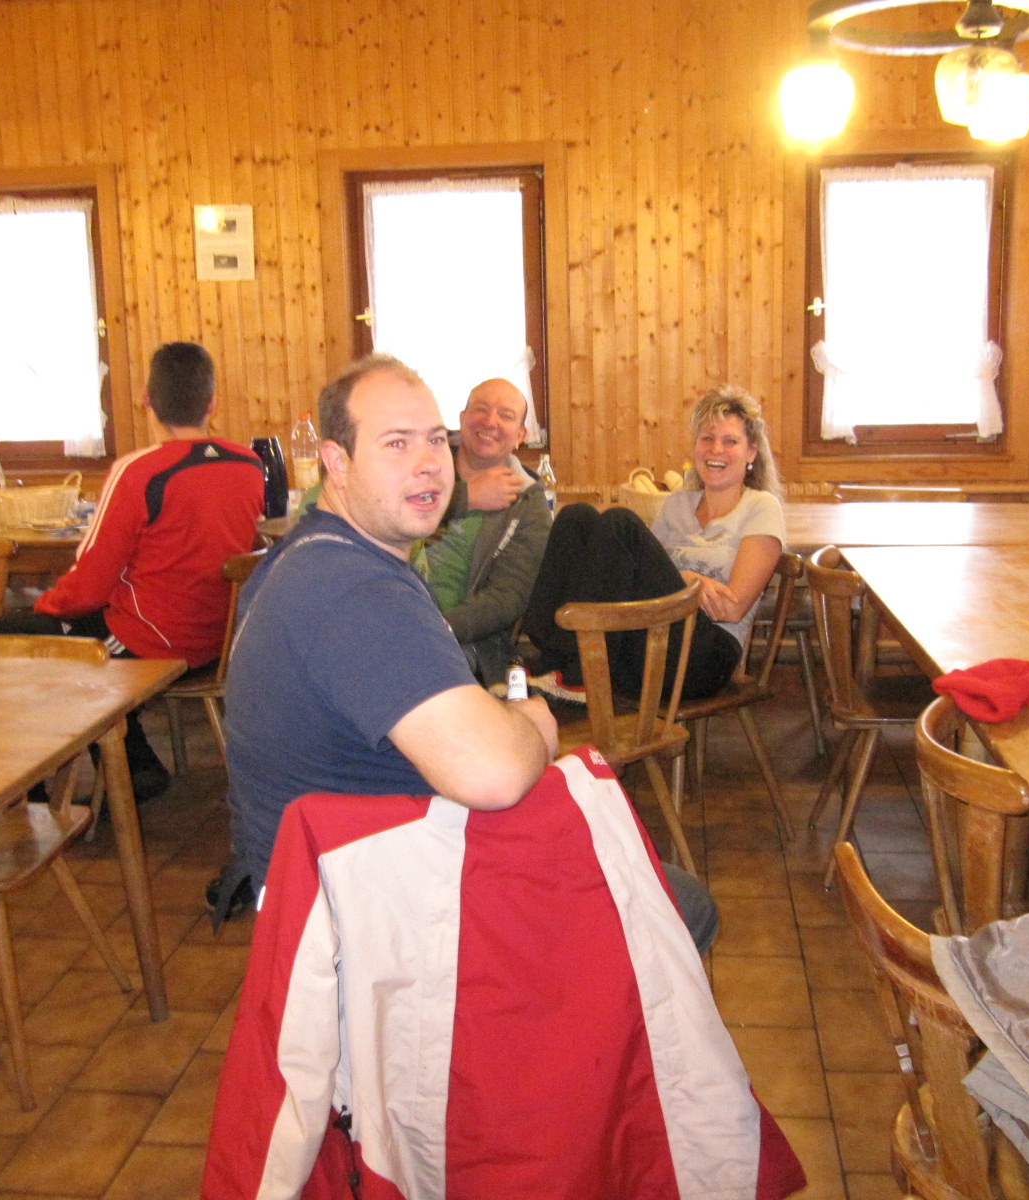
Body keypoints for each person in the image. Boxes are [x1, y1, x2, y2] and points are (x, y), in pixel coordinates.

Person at [216, 355, 718, 951]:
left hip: (340, 874)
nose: (428, 462)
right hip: (369, 912)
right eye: (396, 443)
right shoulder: (356, 590)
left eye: (434, 440)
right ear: (337, 462)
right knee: (680, 903)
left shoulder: (311, 556)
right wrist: (533, 725)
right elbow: (494, 774)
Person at [0, 342, 264, 799]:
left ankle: (36, 797)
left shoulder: (137, 472)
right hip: (222, 643)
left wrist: (46, 610)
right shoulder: (249, 465)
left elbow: (87, 587)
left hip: (154, 645)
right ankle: (135, 762)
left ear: (147, 400)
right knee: (81, 629)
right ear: (211, 403)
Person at [524, 385, 785, 703]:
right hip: (649, 640)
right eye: (707, 439)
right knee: (576, 517)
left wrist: (686, 582)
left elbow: (730, 609)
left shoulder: (761, 508)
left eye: (730, 441)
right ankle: (553, 661)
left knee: (620, 523)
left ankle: (578, 674)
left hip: (704, 657)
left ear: (751, 452)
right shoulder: (678, 503)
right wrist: (686, 581)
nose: (716, 449)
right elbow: (642, 576)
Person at [424, 377, 550, 683]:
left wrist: (438, 628)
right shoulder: (422, 467)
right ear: (462, 419)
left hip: (461, 640)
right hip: (387, 611)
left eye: (505, 415)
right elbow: (381, 513)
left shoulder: (528, 502)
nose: (490, 421)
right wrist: (465, 497)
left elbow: (507, 597)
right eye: (481, 409)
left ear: (520, 436)